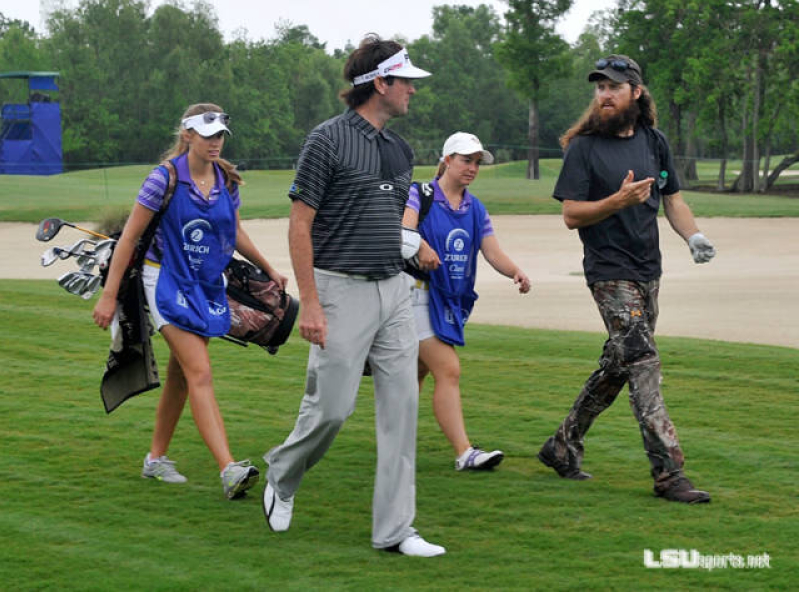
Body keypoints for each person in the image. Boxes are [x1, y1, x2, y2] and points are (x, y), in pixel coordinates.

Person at [261, 36, 446, 557]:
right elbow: (300, 224)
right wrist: (310, 301)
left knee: (402, 410)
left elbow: (388, 220)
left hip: (394, 290)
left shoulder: (401, 150)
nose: (412, 89)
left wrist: (411, 245)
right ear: (380, 83)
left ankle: (395, 530)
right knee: (332, 409)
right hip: (339, 290)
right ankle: (282, 473)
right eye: (405, 81)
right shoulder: (327, 140)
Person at [537, 55, 716, 504]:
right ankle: (669, 473)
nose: (604, 95)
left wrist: (693, 236)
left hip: (647, 270)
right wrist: (616, 201)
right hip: (608, 272)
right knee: (643, 361)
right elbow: (571, 214)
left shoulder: (654, 142)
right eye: (599, 88)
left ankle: (562, 446)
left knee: (618, 365)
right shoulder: (583, 148)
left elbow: (672, 199)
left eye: (613, 87)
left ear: (635, 92)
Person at [93, 103, 288, 500]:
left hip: (203, 283)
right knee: (200, 371)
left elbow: (234, 232)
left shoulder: (225, 181)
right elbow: (129, 238)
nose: (215, 143)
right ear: (188, 135)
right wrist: (109, 296)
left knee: (182, 374)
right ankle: (229, 469)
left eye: (220, 136)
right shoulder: (163, 179)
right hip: (163, 279)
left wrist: (269, 267)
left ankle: (155, 459)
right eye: (208, 135)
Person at [402, 132, 531, 472]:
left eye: (476, 162)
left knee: (416, 373)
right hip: (415, 295)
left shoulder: (475, 208)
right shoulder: (419, 194)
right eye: (465, 160)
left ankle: (396, 442)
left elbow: (492, 251)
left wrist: (515, 271)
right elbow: (404, 232)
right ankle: (464, 453)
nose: (472, 167)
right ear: (447, 160)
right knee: (448, 369)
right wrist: (420, 246)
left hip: (446, 300)